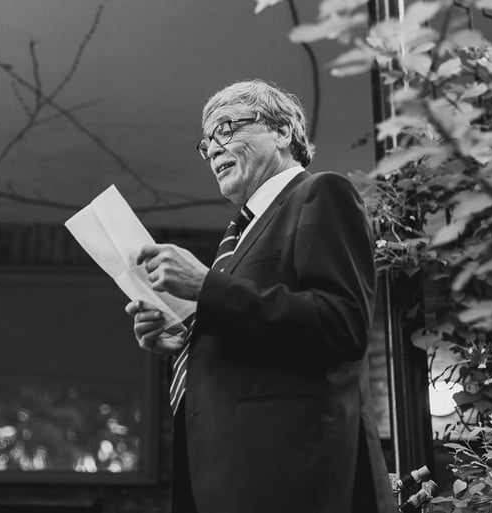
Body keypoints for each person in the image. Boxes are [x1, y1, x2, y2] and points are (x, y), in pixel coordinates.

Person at [125, 80, 396, 513]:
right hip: (225, 478)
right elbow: (252, 325)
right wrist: (186, 342)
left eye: (226, 129)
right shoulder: (239, 235)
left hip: (290, 477)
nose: (213, 150)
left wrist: (206, 288)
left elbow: (341, 324)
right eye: (206, 142)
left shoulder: (321, 193)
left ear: (283, 132)